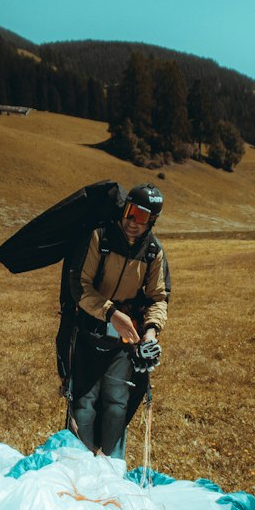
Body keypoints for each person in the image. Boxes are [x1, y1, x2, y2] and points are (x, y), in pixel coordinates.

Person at [61, 184, 170, 459]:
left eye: (142, 217)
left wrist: (150, 332)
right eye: (130, 212)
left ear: (152, 220)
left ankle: (111, 470)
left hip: (123, 343)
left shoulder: (153, 252)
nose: (133, 222)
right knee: (83, 404)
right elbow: (79, 285)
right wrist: (111, 313)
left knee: (116, 404)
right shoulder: (101, 238)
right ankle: (78, 467)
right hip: (88, 333)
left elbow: (159, 297)